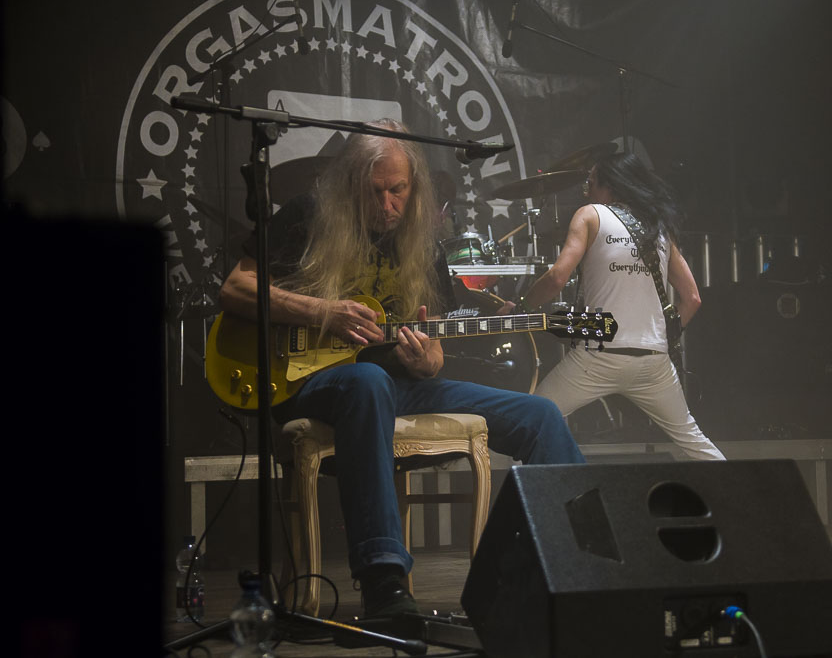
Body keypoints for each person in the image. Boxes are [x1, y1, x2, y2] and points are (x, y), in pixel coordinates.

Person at [219, 119, 585, 618]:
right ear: (352, 184)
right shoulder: (309, 215)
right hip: (305, 380)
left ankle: (579, 570)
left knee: (541, 415)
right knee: (368, 380)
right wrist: (323, 311)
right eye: (376, 191)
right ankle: (383, 580)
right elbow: (234, 288)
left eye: (399, 190)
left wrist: (430, 360)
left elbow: (433, 344)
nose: (388, 204)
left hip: (395, 386)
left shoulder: (423, 242)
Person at [502, 152, 725, 461]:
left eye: (591, 183)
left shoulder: (590, 215)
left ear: (610, 185)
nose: (587, 192)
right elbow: (692, 298)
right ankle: (743, 491)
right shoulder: (658, 227)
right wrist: (662, 337)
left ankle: (537, 484)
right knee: (693, 440)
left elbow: (556, 278)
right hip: (653, 361)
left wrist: (521, 306)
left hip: (599, 355)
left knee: (532, 418)